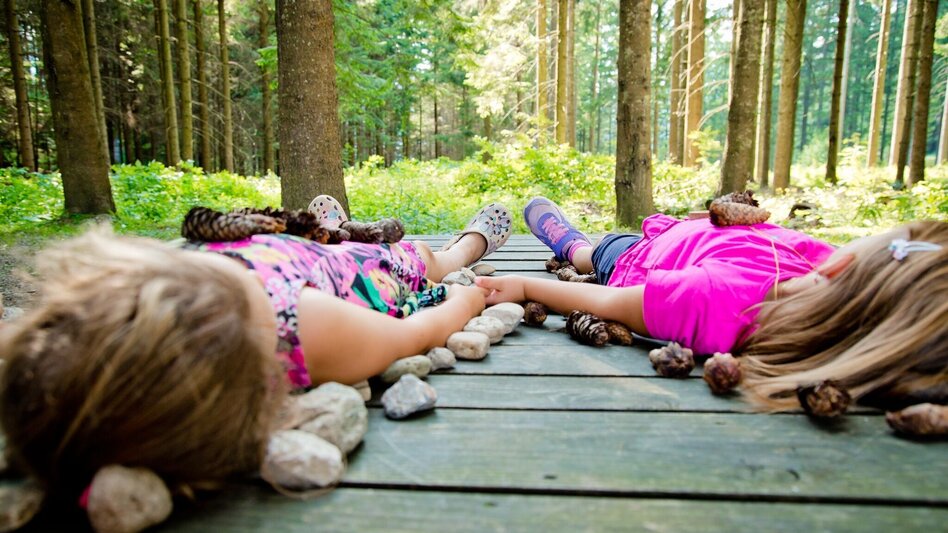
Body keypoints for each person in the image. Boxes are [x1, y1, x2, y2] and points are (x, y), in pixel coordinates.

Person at [0, 197, 512, 503]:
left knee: (316, 234)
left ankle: (326, 227)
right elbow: (414, 335)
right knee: (415, 259)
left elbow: (42, 335)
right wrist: (463, 301)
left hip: (272, 245)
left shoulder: (189, 302)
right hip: (358, 273)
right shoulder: (311, 326)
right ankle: (463, 249)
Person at [476, 197, 947, 412]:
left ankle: (571, 243)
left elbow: (608, 300)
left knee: (599, 254)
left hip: (645, 259)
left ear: (844, 271)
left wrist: (525, 286)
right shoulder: (827, 276)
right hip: (707, 235)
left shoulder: (717, 302)